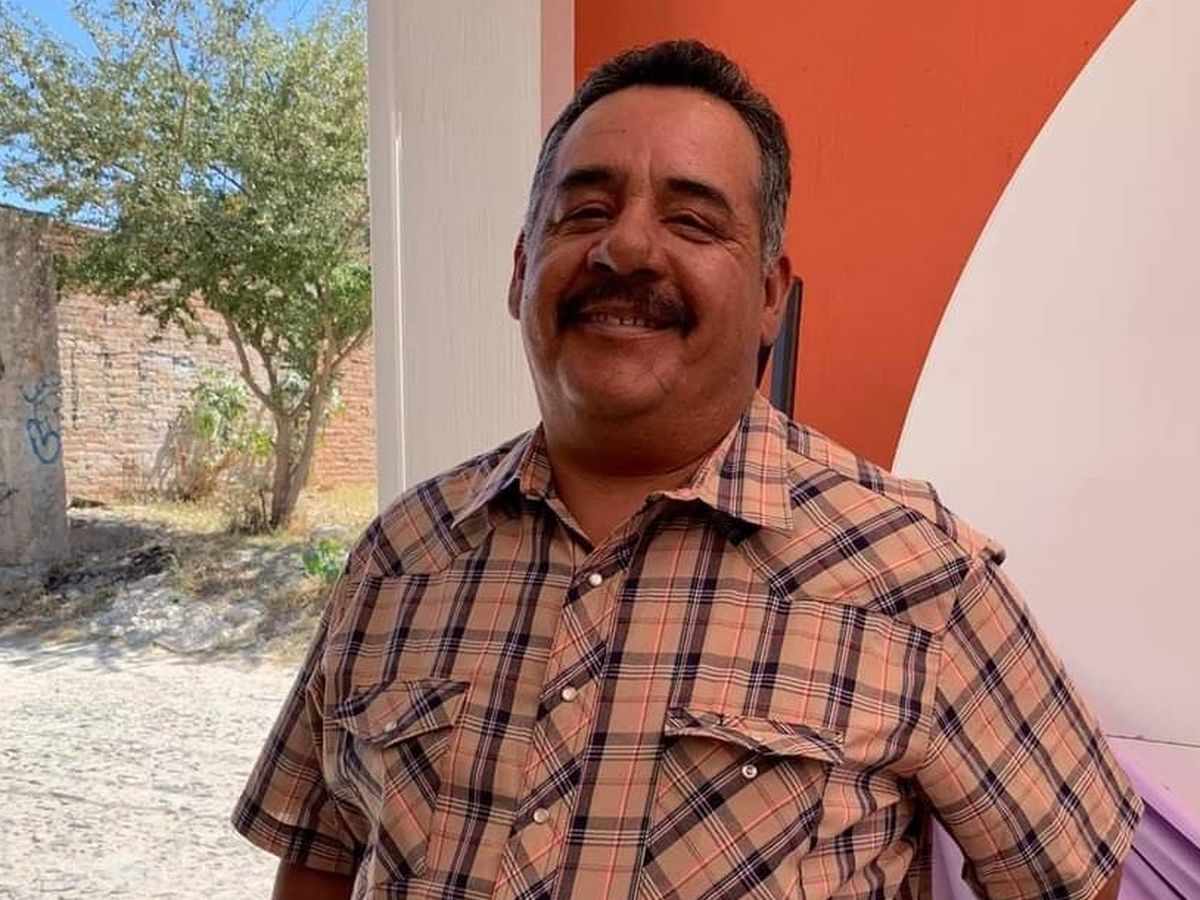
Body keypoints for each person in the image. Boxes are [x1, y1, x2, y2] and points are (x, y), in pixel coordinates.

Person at [233, 40, 1142, 900]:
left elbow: (1074, 878)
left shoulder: (922, 577)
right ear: (520, 270)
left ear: (770, 296)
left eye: (693, 220)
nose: (626, 249)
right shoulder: (399, 557)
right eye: (585, 212)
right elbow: (320, 861)